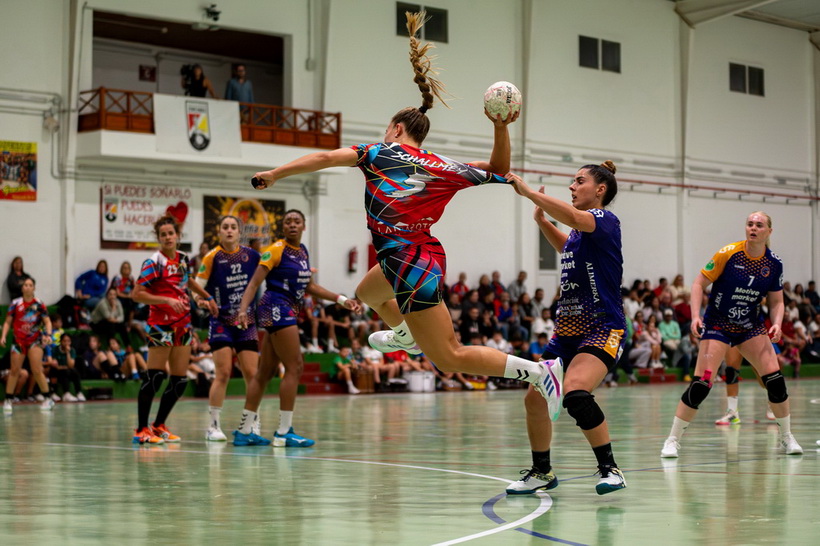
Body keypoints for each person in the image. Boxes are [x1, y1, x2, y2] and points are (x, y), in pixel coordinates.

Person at [249, 11, 563, 417]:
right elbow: (500, 169)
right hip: (408, 256)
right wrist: (500, 127)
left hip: (411, 264)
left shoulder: (376, 153)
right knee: (366, 293)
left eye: (387, 128)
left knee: (449, 356)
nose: (385, 133)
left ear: (396, 128)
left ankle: (538, 372)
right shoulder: (443, 166)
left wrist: (275, 173)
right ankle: (404, 334)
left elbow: (325, 158)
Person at [504, 162, 628, 495]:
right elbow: (567, 246)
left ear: (600, 189)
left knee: (575, 392)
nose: (572, 187)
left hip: (602, 326)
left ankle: (611, 469)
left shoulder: (604, 220)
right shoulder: (579, 233)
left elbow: (573, 218)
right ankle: (542, 472)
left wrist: (529, 193)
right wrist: (543, 221)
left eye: (579, 181)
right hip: (567, 332)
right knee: (535, 399)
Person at [661, 211, 803, 458]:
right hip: (718, 324)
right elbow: (698, 284)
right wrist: (695, 316)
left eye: (759, 225)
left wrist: (777, 323)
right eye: (750, 224)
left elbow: (777, 301)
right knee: (701, 384)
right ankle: (672, 440)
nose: (753, 228)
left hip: (750, 326)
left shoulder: (774, 263)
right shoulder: (728, 253)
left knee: (775, 381)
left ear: (769, 231)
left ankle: (787, 437)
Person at [233, 209, 361, 447]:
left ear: (303, 226)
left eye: (297, 221)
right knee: (295, 367)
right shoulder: (276, 250)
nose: (292, 225)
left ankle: (244, 430)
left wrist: (342, 300)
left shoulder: (302, 251)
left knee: (265, 372)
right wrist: (242, 310)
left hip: (285, 309)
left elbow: (310, 286)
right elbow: (253, 284)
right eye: (288, 222)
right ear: (283, 227)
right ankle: (283, 432)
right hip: (275, 306)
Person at [131, 215, 218, 445]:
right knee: (155, 376)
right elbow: (137, 294)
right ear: (158, 238)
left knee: (180, 380)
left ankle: (159, 425)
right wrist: (166, 300)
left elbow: (187, 281)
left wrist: (207, 297)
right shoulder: (154, 262)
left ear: (178, 236)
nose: (168, 237)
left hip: (183, 324)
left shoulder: (182, 258)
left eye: (171, 233)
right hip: (161, 324)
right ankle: (141, 429)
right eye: (163, 235)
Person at [194, 215, 261, 441]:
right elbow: (196, 289)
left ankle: (252, 423)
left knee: (252, 374)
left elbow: (272, 269)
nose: (229, 230)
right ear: (219, 232)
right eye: (225, 227)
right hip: (221, 321)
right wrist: (202, 301)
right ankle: (213, 426)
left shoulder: (252, 256)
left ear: (239, 232)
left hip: (246, 322)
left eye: (233, 227)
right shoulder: (211, 257)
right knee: (223, 373)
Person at [1, 278, 55, 413]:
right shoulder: (15, 303)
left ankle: (47, 398)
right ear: (22, 288)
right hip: (18, 341)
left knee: (36, 370)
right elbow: (7, 322)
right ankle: (8, 399)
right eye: (25, 285)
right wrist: (3, 336)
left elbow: (47, 322)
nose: (28, 287)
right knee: (14, 370)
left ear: (34, 288)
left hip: (35, 341)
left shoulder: (39, 304)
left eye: (30, 285)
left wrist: (48, 334)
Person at [52, 334, 85, 402]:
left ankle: (79, 392)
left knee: (75, 371)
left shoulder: (72, 350)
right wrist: (63, 367)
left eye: (68, 341)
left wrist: (68, 353)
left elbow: (71, 365)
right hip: (56, 371)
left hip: (67, 371)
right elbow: (55, 365)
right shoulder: (55, 350)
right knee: (64, 372)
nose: (66, 343)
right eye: (64, 341)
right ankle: (66, 394)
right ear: (61, 341)